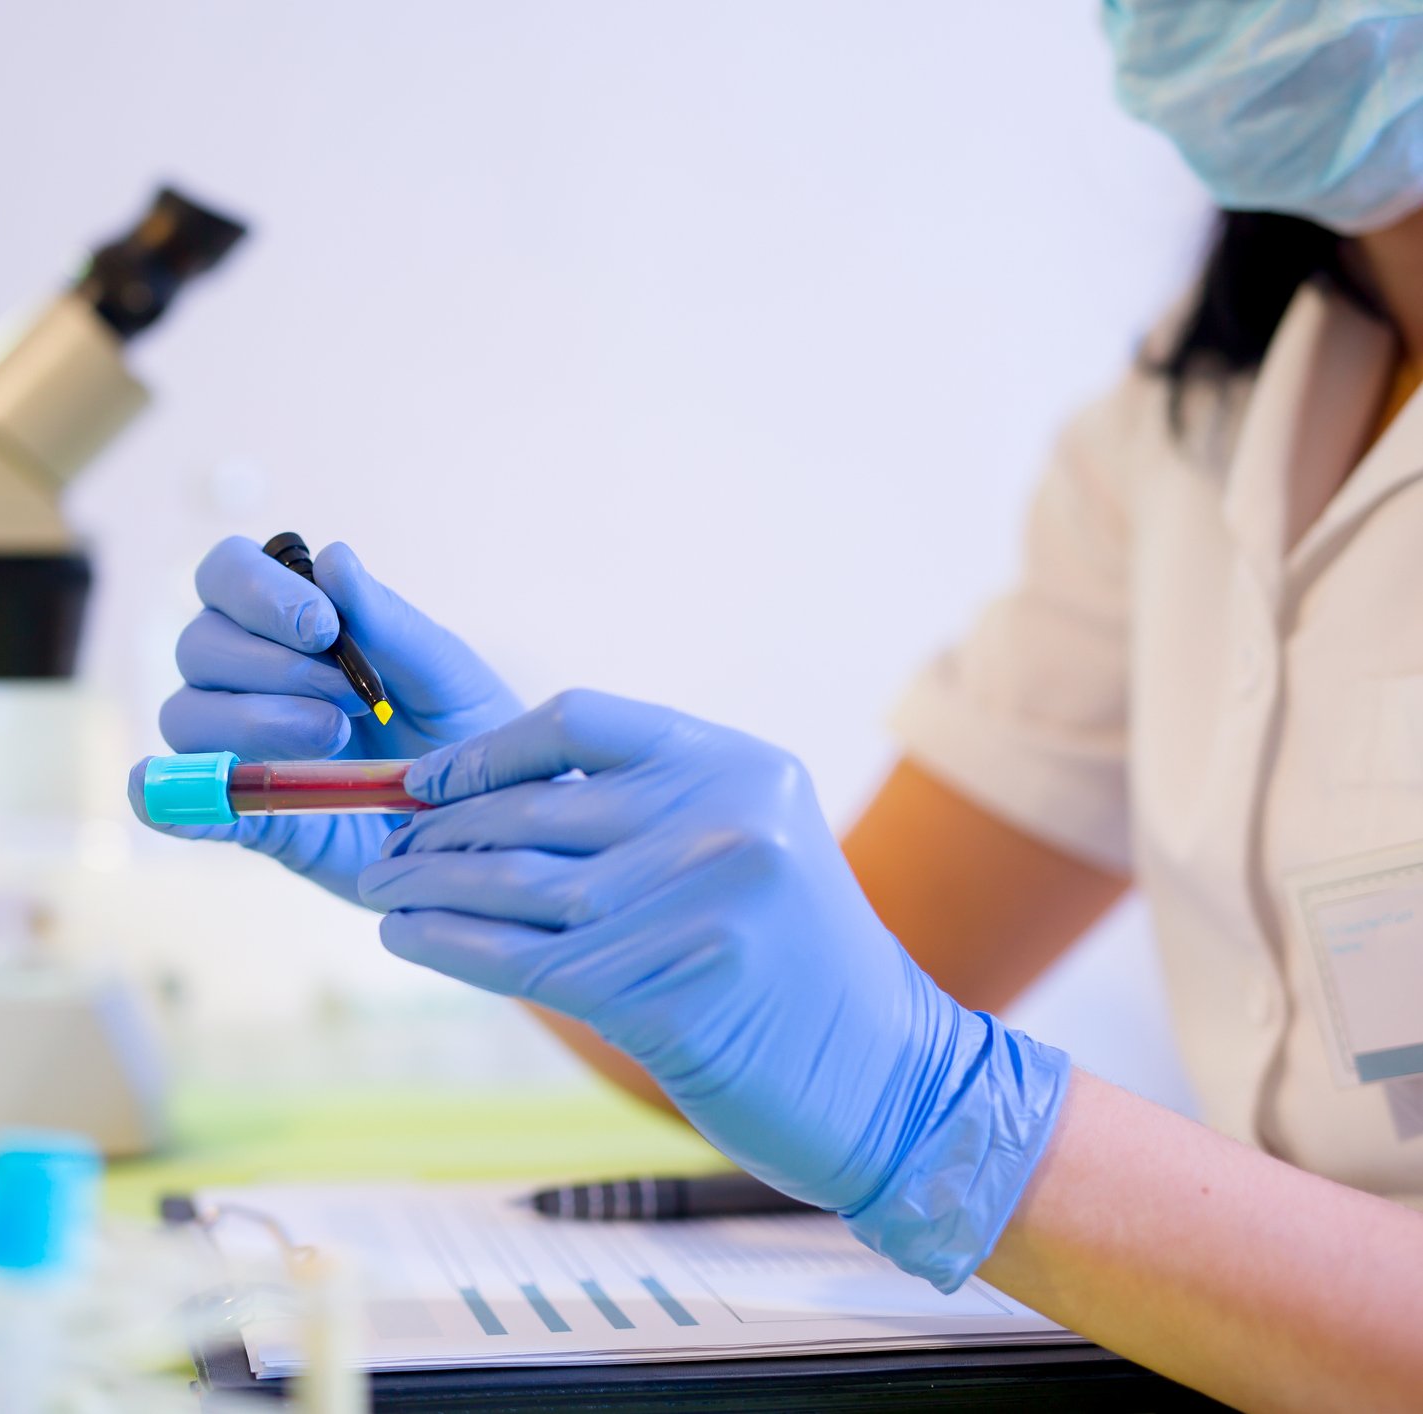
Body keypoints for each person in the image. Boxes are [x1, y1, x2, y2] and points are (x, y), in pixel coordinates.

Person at [132, 5, 1423, 1409]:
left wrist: (945, 1121)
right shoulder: (1203, 409)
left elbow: (884, 1063)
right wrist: (509, 853)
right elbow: (792, 1014)